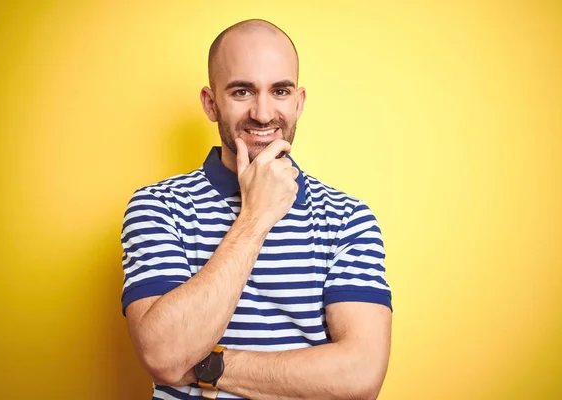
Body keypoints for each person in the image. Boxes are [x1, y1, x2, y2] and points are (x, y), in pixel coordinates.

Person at [121, 19, 393, 400]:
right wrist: (255, 218)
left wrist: (207, 365)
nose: (263, 114)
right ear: (211, 103)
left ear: (298, 103)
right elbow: (164, 355)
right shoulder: (158, 207)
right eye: (242, 91)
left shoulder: (348, 219)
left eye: (279, 91)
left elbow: (360, 375)